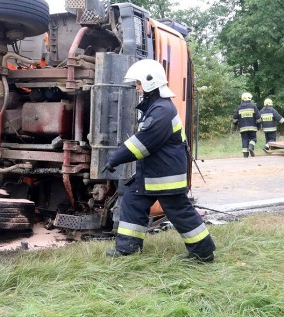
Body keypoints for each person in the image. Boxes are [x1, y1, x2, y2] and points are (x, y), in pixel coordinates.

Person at [102, 59, 216, 263]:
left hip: (165, 176)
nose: (137, 87)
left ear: (149, 82)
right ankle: (127, 249)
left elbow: (143, 143)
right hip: (153, 174)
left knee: (179, 211)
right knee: (132, 202)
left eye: (138, 83)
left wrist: (115, 158)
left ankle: (203, 252)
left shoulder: (162, 110)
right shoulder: (157, 107)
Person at [232, 92, 261, 158]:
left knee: (244, 140)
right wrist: (258, 126)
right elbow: (258, 118)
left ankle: (245, 155)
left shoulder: (239, 107)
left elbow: (235, 119)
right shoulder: (253, 106)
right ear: (250, 98)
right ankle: (251, 146)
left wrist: (234, 127)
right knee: (253, 139)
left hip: (243, 128)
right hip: (252, 127)